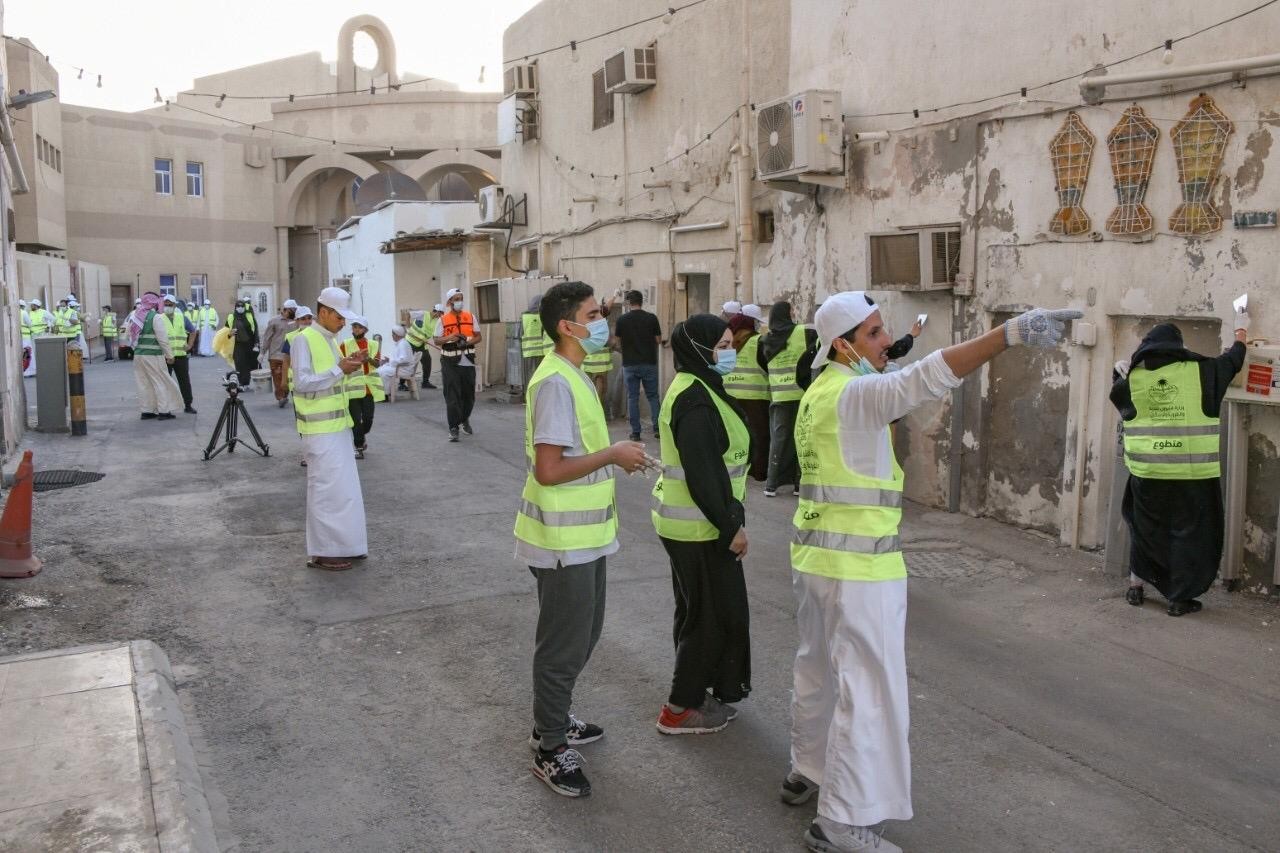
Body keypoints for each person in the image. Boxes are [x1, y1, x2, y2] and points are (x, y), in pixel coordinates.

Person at [781, 291, 1079, 853]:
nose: (885, 340)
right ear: (842, 345)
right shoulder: (855, 394)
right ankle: (841, 822)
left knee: (817, 670)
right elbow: (923, 377)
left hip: (817, 562)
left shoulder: (821, 391)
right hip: (859, 572)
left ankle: (809, 768)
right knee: (869, 693)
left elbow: (900, 380)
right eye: (873, 333)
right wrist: (1008, 335)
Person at [514, 280, 649, 798]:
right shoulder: (555, 382)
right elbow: (549, 470)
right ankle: (549, 746)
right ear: (566, 326)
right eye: (593, 315)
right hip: (561, 540)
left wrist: (615, 457)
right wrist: (613, 454)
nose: (602, 322)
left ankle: (554, 718)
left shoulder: (575, 374)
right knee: (562, 646)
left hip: (587, 536)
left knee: (584, 636)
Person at [650, 314, 751, 736]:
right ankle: (679, 708)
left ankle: (696, 695)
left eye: (731, 345)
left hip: (694, 525)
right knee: (709, 619)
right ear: (698, 349)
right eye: (722, 347)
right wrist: (731, 529)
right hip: (699, 528)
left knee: (699, 612)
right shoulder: (695, 399)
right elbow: (704, 474)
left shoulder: (700, 386)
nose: (730, 354)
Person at [1111, 314, 1248, 617]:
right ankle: (1179, 599)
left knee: (1145, 531)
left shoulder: (1134, 378)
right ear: (1178, 347)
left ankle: (1135, 588)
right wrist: (1241, 329)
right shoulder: (1202, 371)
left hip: (1147, 474)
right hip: (1192, 475)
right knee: (1189, 536)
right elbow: (1234, 360)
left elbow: (1119, 397)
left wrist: (1117, 371)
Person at [292, 287, 369, 571]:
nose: (343, 323)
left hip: (338, 427)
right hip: (320, 431)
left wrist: (350, 365)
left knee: (345, 491)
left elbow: (332, 378)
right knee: (325, 492)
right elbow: (302, 383)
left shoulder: (330, 339)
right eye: (339, 317)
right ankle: (324, 552)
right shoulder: (304, 339)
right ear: (323, 312)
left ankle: (347, 545)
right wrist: (340, 369)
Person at [759, 301, 818, 497]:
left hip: (779, 396)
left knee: (778, 439)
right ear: (787, 313)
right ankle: (799, 484)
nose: (794, 313)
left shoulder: (766, 340)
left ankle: (771, 485)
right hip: (802, 394)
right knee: (802, 438)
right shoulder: (805, 332)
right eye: (792, 311)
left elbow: (763, 363)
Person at [724, 304, 770, 481]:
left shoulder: (727, 341)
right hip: (755, 397)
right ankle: (758, 470)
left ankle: (736, 467)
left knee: (735, 434)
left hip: (730, 395)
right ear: (751, 323)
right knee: (759, 435)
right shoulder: (758, 341)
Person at [614, 289, 664, 442]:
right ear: (642, 302)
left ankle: (636, 432)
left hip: (630, 364)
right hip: (649, 363)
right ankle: (658, 429)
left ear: (629, 302)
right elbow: (658, 340)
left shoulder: (622, 320)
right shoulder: (651, 318)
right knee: (653, 396)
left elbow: (617, 342)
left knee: (632, 397)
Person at [125, 292, 184, 421]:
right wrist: (169, 355)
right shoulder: (155, 317)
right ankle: (164, 411)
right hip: (153, 356)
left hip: (138, 355)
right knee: (160, 382)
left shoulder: (135, 315)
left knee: (143, 384)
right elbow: (162, 339)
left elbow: (128, 334)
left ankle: (147, 411)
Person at [433, 287, 482, 441]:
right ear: (450, 302)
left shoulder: (470, 317)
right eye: (456, 299)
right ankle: (453, 427)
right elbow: (436, 340)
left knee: (469, 396)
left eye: (461, 299)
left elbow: (478, 337)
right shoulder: (442, 320)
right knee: (452, 395)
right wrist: (450, 337)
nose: (460, 302)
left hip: (467, 360)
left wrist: (466, 343)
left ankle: (464, 419)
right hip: (450, 362)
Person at [340, 316, 386, 459]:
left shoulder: (373, 344)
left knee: (368, 419)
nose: (356, 329)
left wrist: (368, 359)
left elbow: (377, 364)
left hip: (369, 388)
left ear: (365, 330)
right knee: (355, 420)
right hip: (353, 388)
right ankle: (358, 447)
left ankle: (360, 435)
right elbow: (341, 363)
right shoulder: (345, 344)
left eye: (359, 327)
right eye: (354, 327)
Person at [162, 295, 198, 414]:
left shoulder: (182, 317)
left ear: (174, 305)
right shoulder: (160, 319)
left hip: (181, 356)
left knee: (184, 381)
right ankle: (165, 408)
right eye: (165, 305)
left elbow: (193, 331)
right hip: (166, 356)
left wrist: (190, 345)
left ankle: (188, 405)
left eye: (170, 305)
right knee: (165, 383)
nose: (167, 307)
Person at [261, 300, 298, 407]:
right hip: (275, 355)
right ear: (286, 310)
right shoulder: (274, 321)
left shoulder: (296, 321)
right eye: (293, 310)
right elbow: (267, 337)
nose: (295, 312)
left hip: (290, 355)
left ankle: (284, 395)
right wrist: (262, 352)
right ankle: (281, 397)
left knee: (287, 377)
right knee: (277, 377)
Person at [519, 294, 552, 389]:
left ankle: (529, 395)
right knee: (540, 376)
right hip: (541, 352)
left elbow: (520, 335)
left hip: (527, 352)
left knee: (529, 376)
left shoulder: (524, 317)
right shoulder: (542, 317)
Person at [377, 324, 417, 399]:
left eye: (393, 334)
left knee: (381, 372)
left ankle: (385, 395)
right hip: (401, 367)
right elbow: (399, 358)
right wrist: (389, 360)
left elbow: (404, 359)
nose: (392, 336)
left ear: (397, 335)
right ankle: (386, 393)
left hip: (403, 369)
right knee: (380, 370)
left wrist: (391, 361)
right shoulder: (400, 343)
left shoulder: (402, 344)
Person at [405, 308, 438, 390]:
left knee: (427, 361)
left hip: (422, 343)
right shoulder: (423, 314)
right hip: (410, 341)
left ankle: (425, 382)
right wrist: (408, 328)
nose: (440, 315)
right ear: (436, 311)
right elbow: (408, 314)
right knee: (407, 362)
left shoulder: (436, 321)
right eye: (440, 313)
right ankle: (401, 384)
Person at [231, 298, 260, 390]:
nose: (240, 308)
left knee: (248, 364)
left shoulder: (250, 317)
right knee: (239, 363)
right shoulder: (232, 317)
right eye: (238, 306)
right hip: (237, 345)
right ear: (235, 307)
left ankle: (246, 383)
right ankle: (241, 383)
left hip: (249, 344)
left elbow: (255, 331)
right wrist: (230, 334)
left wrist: (256, 343)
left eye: (242, 306)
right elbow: (225, 332)